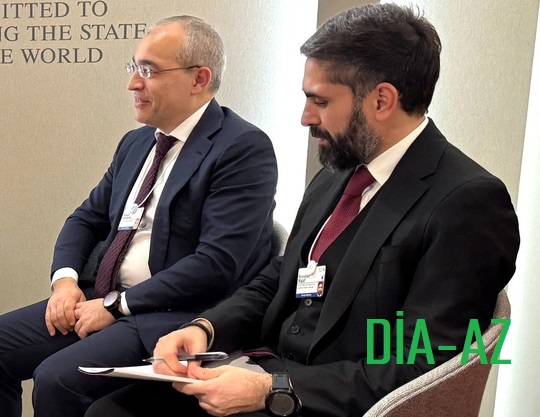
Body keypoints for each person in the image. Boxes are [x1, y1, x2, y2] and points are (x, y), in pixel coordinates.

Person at [84, 4, 520, 417]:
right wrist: (206, 328)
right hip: (269, 371)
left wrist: (270, 389)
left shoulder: (468, 203)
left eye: (321, 101)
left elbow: (423, 366)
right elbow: (282, 276)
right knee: (110, 410)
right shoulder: (338, 172)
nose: (305, 117)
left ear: (382, 100)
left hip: (331, 402)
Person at [0, 15, 278, 417]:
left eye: (148, 71)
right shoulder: (136, 144)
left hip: (173, 314)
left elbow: (217, 264)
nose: (133, 83)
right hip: (103, 299)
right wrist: (65, 282)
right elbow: (85, 219)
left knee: (57, 378)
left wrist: (118, 306)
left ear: (198, 79)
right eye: (134, 67)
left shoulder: (242, 147)